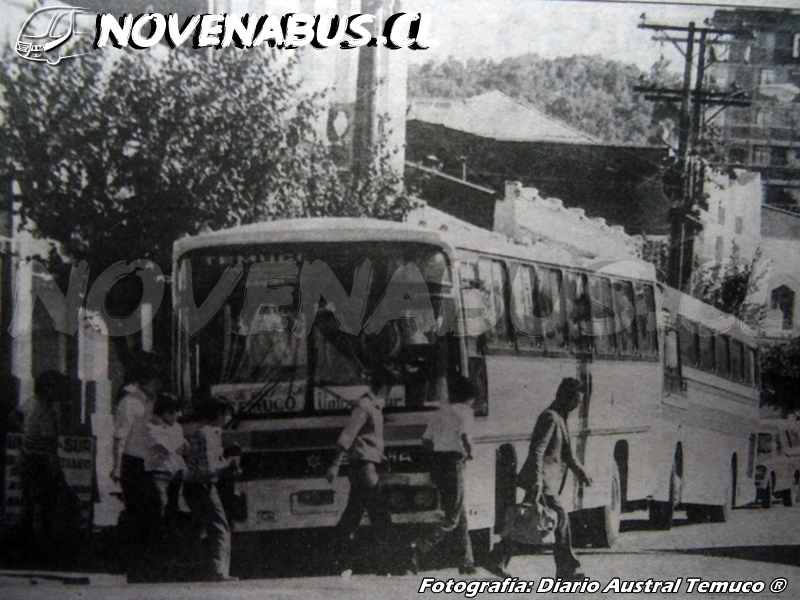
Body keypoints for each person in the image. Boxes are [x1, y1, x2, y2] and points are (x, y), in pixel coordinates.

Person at [490, 377, 592, 581]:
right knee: (561, 517)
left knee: (526, 521)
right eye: (575, 401)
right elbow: (537, 451)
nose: (576, 406)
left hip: (545, 481)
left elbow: (568, 455)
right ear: (565, 397)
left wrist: (582, 472)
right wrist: (536, 482)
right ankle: (567, 569)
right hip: (542, 481)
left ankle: (497, 559)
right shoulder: (550, 417)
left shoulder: (560, 417)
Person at [325, 367, 404, 577]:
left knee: (353, 515)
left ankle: (337, 560)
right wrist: (334, 464)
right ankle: (389, 565)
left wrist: (381, 457)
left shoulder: (374, 407)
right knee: (379, 513)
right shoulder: (365, 406)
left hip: (367, 465)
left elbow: (368, 440)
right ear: (384, 387)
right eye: (389, 389)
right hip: (363, 468)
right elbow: (347, 436)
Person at [410, 377, 477, 575]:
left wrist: (439, 451)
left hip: (438, 465)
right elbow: (465, 436)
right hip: (453, 465)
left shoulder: (439, 412)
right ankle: (417, 550)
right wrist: (469, 452)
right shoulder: (465, 411)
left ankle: (466, 562)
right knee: (452, 518)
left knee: (459, 512)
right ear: (470, 397)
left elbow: (425, 441)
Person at [183, 396, 240, 582]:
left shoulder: (214, 433)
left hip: (205, 485)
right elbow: (206, 468)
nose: (229, 418)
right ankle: (219, 571)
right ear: (219, 414)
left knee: (209, 528)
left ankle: (213, 569)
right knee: (220, 527)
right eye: (228, 414)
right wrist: (228, 466)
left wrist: (229, 465)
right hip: (200, 485)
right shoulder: (206, 434)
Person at [18, 370, 75, 555]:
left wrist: (25, 437)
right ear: (49, 389)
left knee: (31, 501)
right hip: (41, 462)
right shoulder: (47, 412)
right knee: (46, 504)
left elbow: (15, 416)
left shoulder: (30, 402)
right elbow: (50, 446)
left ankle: (29, 542)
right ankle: (43, 546)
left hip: (26, 458)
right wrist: (57, 470)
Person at [111, 351, 164, 516]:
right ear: (149, 380)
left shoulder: (156, 402)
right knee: (137, 512)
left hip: (152, 464)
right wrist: (116, 467)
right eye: (157, 379)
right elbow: (120, 437)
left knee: (156, 509)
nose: (160, 384)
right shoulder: (130, 402)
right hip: (133, 465)